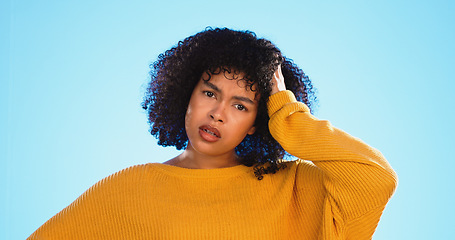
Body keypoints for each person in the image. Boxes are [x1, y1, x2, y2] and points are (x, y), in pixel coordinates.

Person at [28, 27, 397, 239]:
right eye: (209, 93)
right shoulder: (130, 189)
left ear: (258, 120)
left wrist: (288, 115)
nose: (218, 113)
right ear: (187, 92)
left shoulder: (298, 188)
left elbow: (376, 179)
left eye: (241, 105)